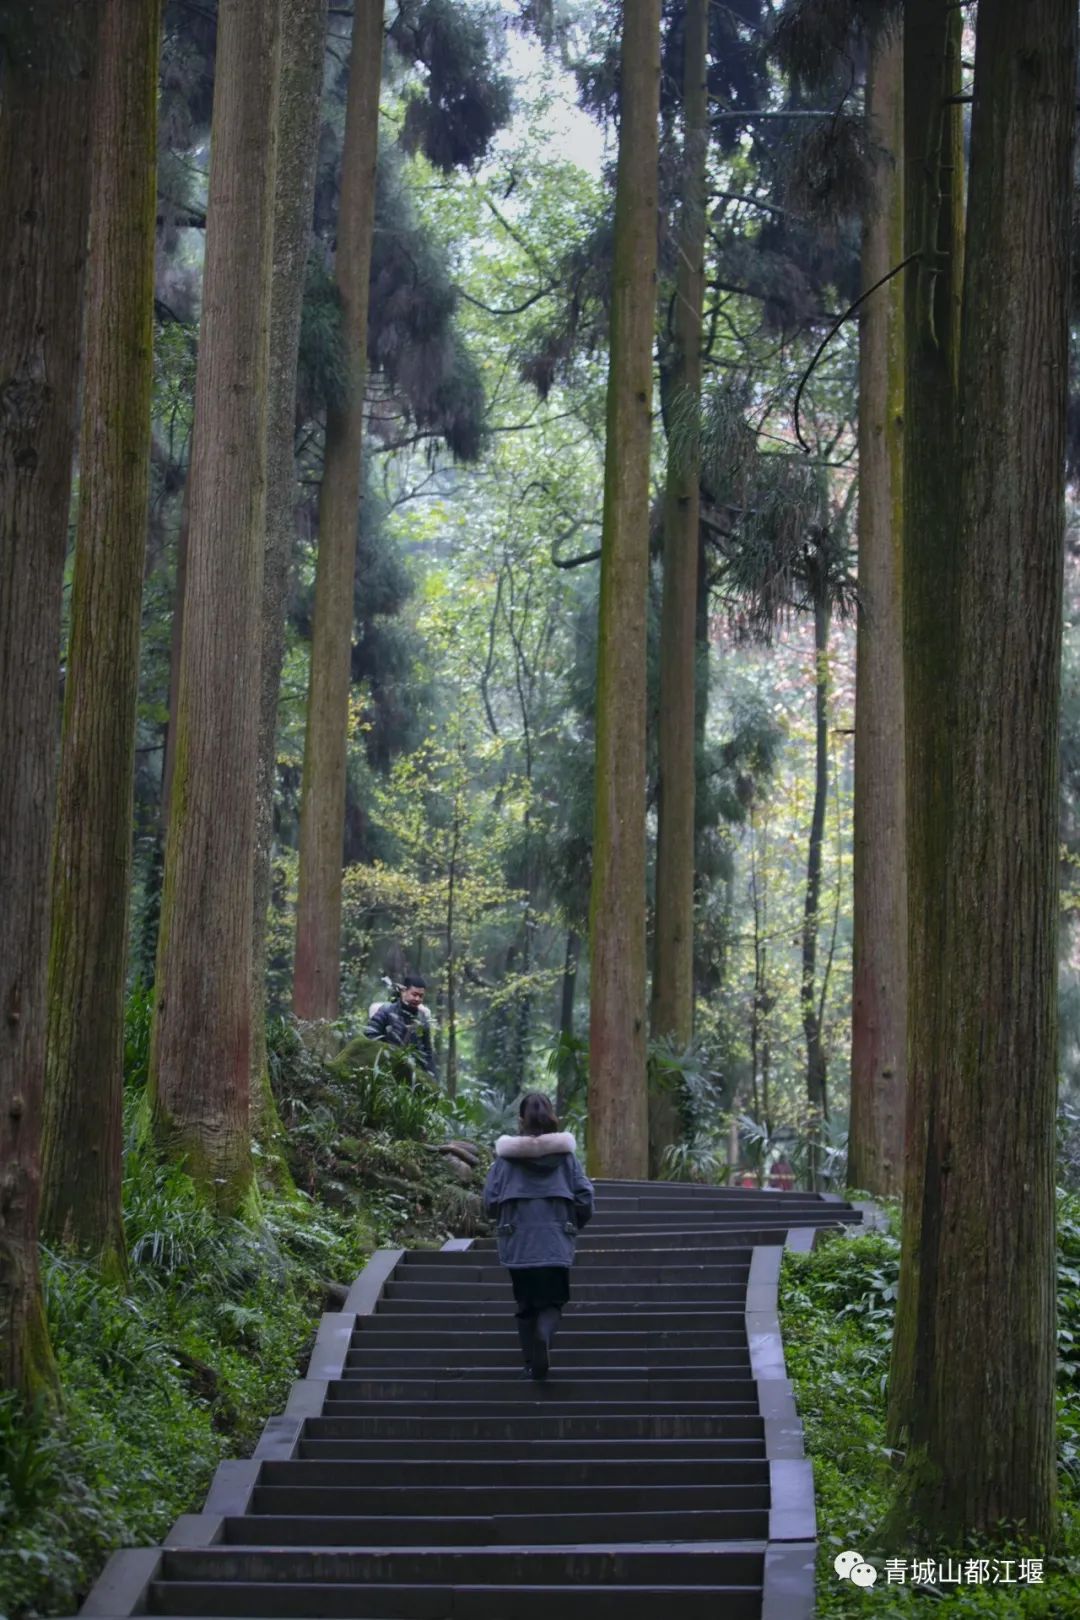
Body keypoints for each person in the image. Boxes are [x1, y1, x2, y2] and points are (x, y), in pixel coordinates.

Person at [482, 1092, 594, 1381]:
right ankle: (544, 1335)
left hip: (517, 1241)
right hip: (555, 1240)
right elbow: (584, 1198)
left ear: (521, 1120)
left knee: (525, 1304)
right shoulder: (566, 1160)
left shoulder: (504, 1162)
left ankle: (530, 1363)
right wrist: (569, 1224)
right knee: (553, 1300)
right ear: (552, 1117)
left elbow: (490, 1203)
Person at [363, 974, 437, 1081]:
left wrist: (431, 1077)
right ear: (404, 991)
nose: (417, 999)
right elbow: (370, 1035)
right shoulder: (386, 1011)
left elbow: (427, 1052)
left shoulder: (422, 1019)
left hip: (411, 1075)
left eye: (421, 996)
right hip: (384, 1071)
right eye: (414, 994)